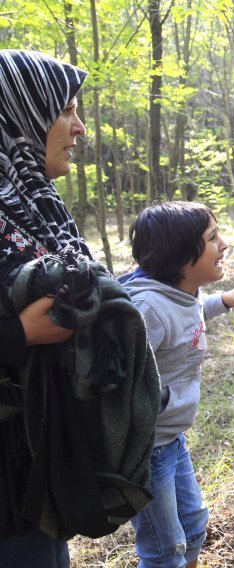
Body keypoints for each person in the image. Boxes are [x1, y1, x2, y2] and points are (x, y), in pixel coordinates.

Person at [0, 50, 160, 566]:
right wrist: (15, 336)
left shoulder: (30, 206)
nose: (81, 128)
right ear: (20, 115)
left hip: (35, 475)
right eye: (65, 110)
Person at [122, 201, 234, 568]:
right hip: (146, 450)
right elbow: (119, 381)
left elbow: (189, 312)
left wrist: (225, 302)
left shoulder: (182, 291)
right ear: (182, 256)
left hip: (171, 439)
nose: (224, 244)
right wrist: (163, 403)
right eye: (212, 237)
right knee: (165, 550)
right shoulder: (148, 309)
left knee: (195, 527)